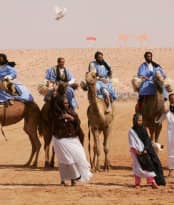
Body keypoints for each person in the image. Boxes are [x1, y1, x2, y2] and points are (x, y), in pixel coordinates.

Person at [51, 96, 92, 186]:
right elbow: (54, 127)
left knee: (77, 157)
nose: (67, 104)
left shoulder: (72, 112)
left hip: (73, 139)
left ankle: (74, 178)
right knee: (65, 160)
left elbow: (78, 123)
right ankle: (68, 179)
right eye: (64, 103)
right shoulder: (55, 115)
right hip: (60, 140)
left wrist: (71, 118)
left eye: (67, 103)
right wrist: (61, 118)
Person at [128, 113, 166, 188]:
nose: (140, 122)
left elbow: (146, 140)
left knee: (149, 165)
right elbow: (132, 142)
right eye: (139, 120)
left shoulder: (143, 129)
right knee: (137, 167)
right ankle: (137, 183)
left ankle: (152, 182)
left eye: (141, 120)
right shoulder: (131, 131)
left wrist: (145, 149)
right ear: (135, 121)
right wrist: (137, 151)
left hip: (145, 151)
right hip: (135, 152)